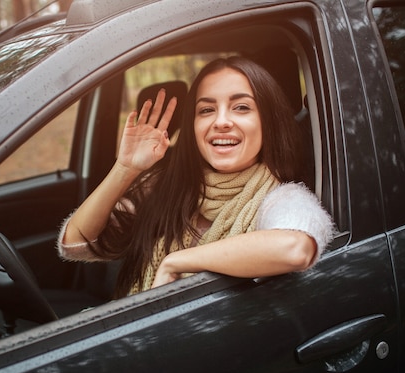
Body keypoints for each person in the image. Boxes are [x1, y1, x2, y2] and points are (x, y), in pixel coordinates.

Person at [58, 56, 335, 298]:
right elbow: (76, 244)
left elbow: (296, 248)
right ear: (193, 125)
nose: (221, 121)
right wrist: (125, 169)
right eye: (206, 110)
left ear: (267, 122)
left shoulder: (281, 197)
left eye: (241, 107)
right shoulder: (167, 186)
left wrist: (177, 261)